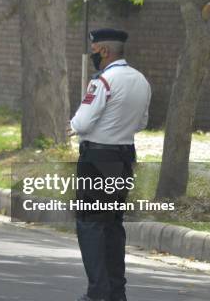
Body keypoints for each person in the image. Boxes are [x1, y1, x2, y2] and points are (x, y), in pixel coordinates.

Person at [69, 28, 151, 301]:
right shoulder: (141, 80)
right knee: (113, 225)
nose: (92, 54)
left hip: (97, 159)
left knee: (91, 224)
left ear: (103, 50)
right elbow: (141, 123)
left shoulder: (103, 81)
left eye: (94, 49)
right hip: (125, 156)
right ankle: (116, 292)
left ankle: (97, 292)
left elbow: (81, 123)